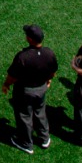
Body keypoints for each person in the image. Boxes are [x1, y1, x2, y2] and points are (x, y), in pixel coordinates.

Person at [4, 24, 58, 153]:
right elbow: (53, 72)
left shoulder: (23, 57)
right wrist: (48, 81)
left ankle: (26, 143)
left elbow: (12, 76)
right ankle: (44, 138)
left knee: (24, 116)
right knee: (40, 112)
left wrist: (6, 84)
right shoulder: (49, 53)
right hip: (41, 88)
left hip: (25, 91)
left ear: (30, 39)